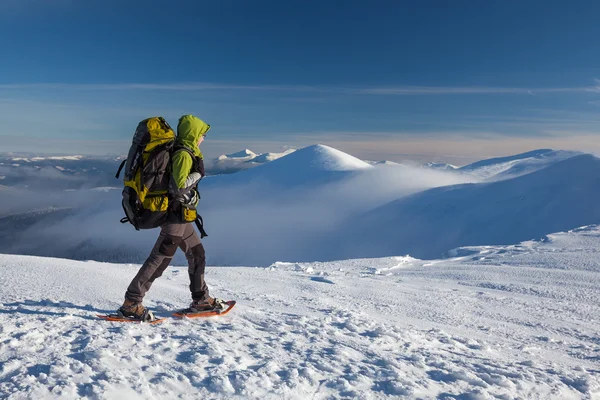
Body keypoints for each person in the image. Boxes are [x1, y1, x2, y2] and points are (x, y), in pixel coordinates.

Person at [119, 114, 216, 321]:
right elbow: (178, 187)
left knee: (197, 253)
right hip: (174, 215)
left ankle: (201, 299)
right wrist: (199, 174)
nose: (203, 139)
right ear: (194, 133)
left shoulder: (188, 152)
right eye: (202, 134)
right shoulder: (183, 154)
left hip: (181, 216)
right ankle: (131, 302)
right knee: (160, 259)